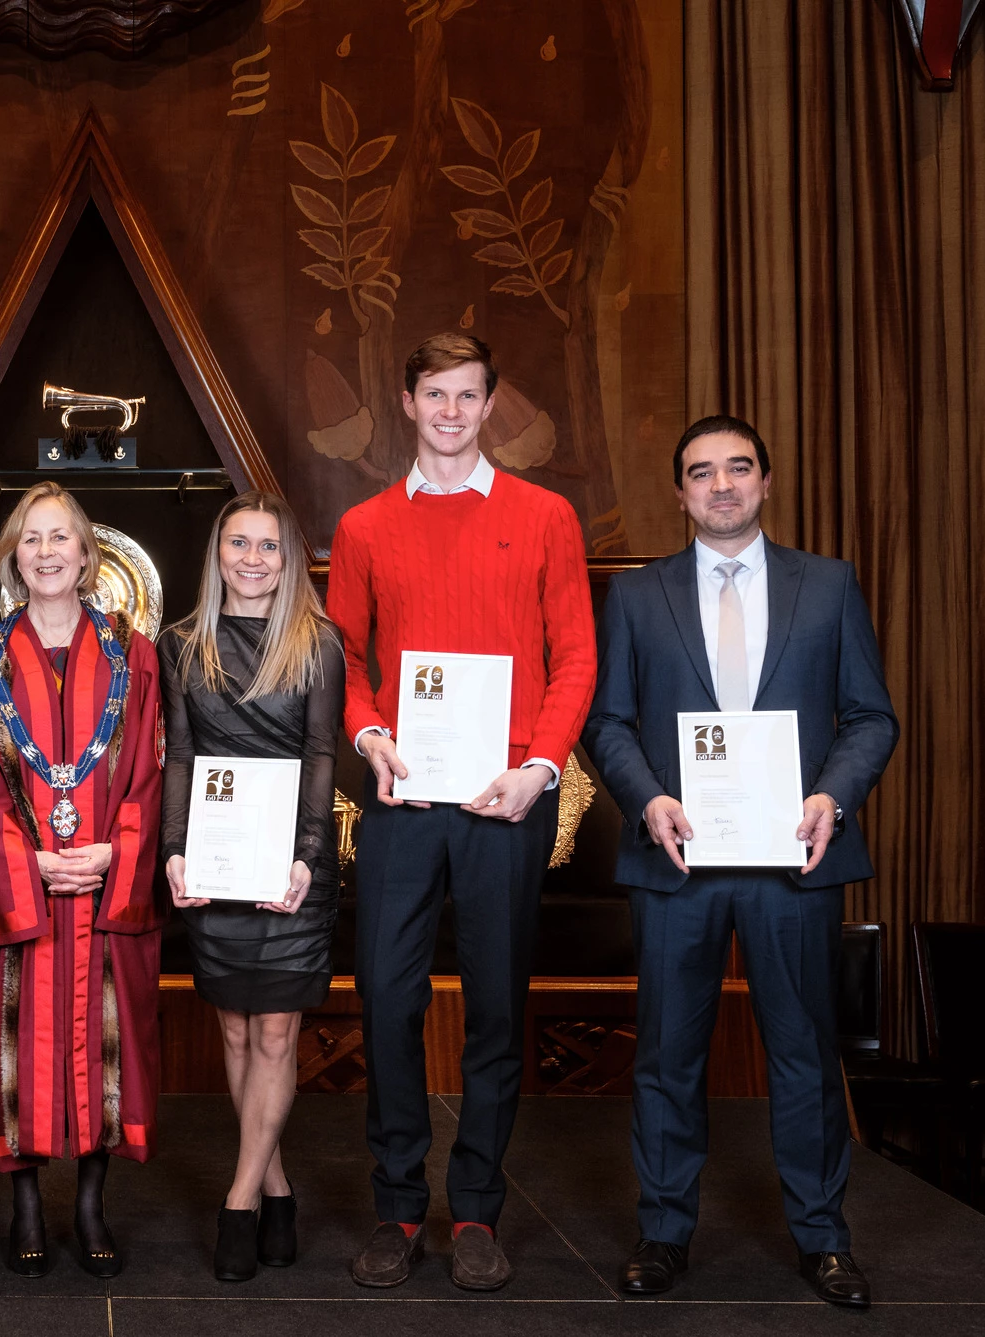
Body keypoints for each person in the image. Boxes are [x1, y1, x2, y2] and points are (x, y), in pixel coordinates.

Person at [581, 416, 898, 1309]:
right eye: (699, 473)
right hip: (678, 859)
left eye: (736, 468)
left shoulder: (828, 585)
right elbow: (605, 721)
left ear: (764, 481)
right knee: (666, 1056)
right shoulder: (639, 597)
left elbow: (870, 716)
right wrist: (646, 797)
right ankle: (662, 1232)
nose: (719, 485)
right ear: (678, 492)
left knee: (802, 1053)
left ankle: (824, 1240)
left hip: (792, 859)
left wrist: (830, 795)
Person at [326, 333, 595, 1292]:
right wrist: (366, 738)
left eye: (467, 395)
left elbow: (576, 659)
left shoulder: (546, 515)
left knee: (493, 1009)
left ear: (489, 405)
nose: (449, 411)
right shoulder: (362, 527)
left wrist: (540, 765)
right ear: (407, 402)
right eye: (433, 394)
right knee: (387, 1001)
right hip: (401, 799)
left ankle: (475, 1208)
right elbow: (346, 664)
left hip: (503, 799)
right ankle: (397, 1205)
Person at [0, 481, 164, 1280]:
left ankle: (90, 1203)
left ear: (86, 553)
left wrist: (114, 853)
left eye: (60, 537)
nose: (45, 552)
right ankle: (27, 1206)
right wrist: (28, 861)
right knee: (12, 1049)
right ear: (12, 556)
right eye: (30, 539)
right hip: (21, 890)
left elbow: (148, 771)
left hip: (107, 884)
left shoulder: (131, 656)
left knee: (109, 1048)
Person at [161, 491, 344, 1282]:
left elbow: (321, 757)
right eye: (238, 543)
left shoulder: (318, 642)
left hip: (292, 862)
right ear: (218, 553)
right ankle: (275, 1184)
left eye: (268, 546)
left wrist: (306, 855)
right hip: (216, 855)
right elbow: (176, 753)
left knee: (275, 1032)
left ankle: (238, 1199)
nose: (252, 559)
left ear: (287, 557)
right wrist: (173, 849)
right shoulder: (180, 642)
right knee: (235, 1031)